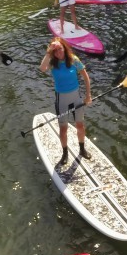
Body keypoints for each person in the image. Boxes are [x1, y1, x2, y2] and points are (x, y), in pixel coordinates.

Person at [39, 37, 93, 166]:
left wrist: (88, 96)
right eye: (55, 50)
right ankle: (65, 153)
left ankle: (82, 149)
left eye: (60, 49)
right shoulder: (52, 61)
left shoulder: (74, 60)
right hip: (61, 99)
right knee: (64, 128)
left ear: (64, 48)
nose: (58, 52)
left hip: (76, 97)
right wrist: (48, 52)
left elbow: (86, 77)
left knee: (80, 125)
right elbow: (42, 68)